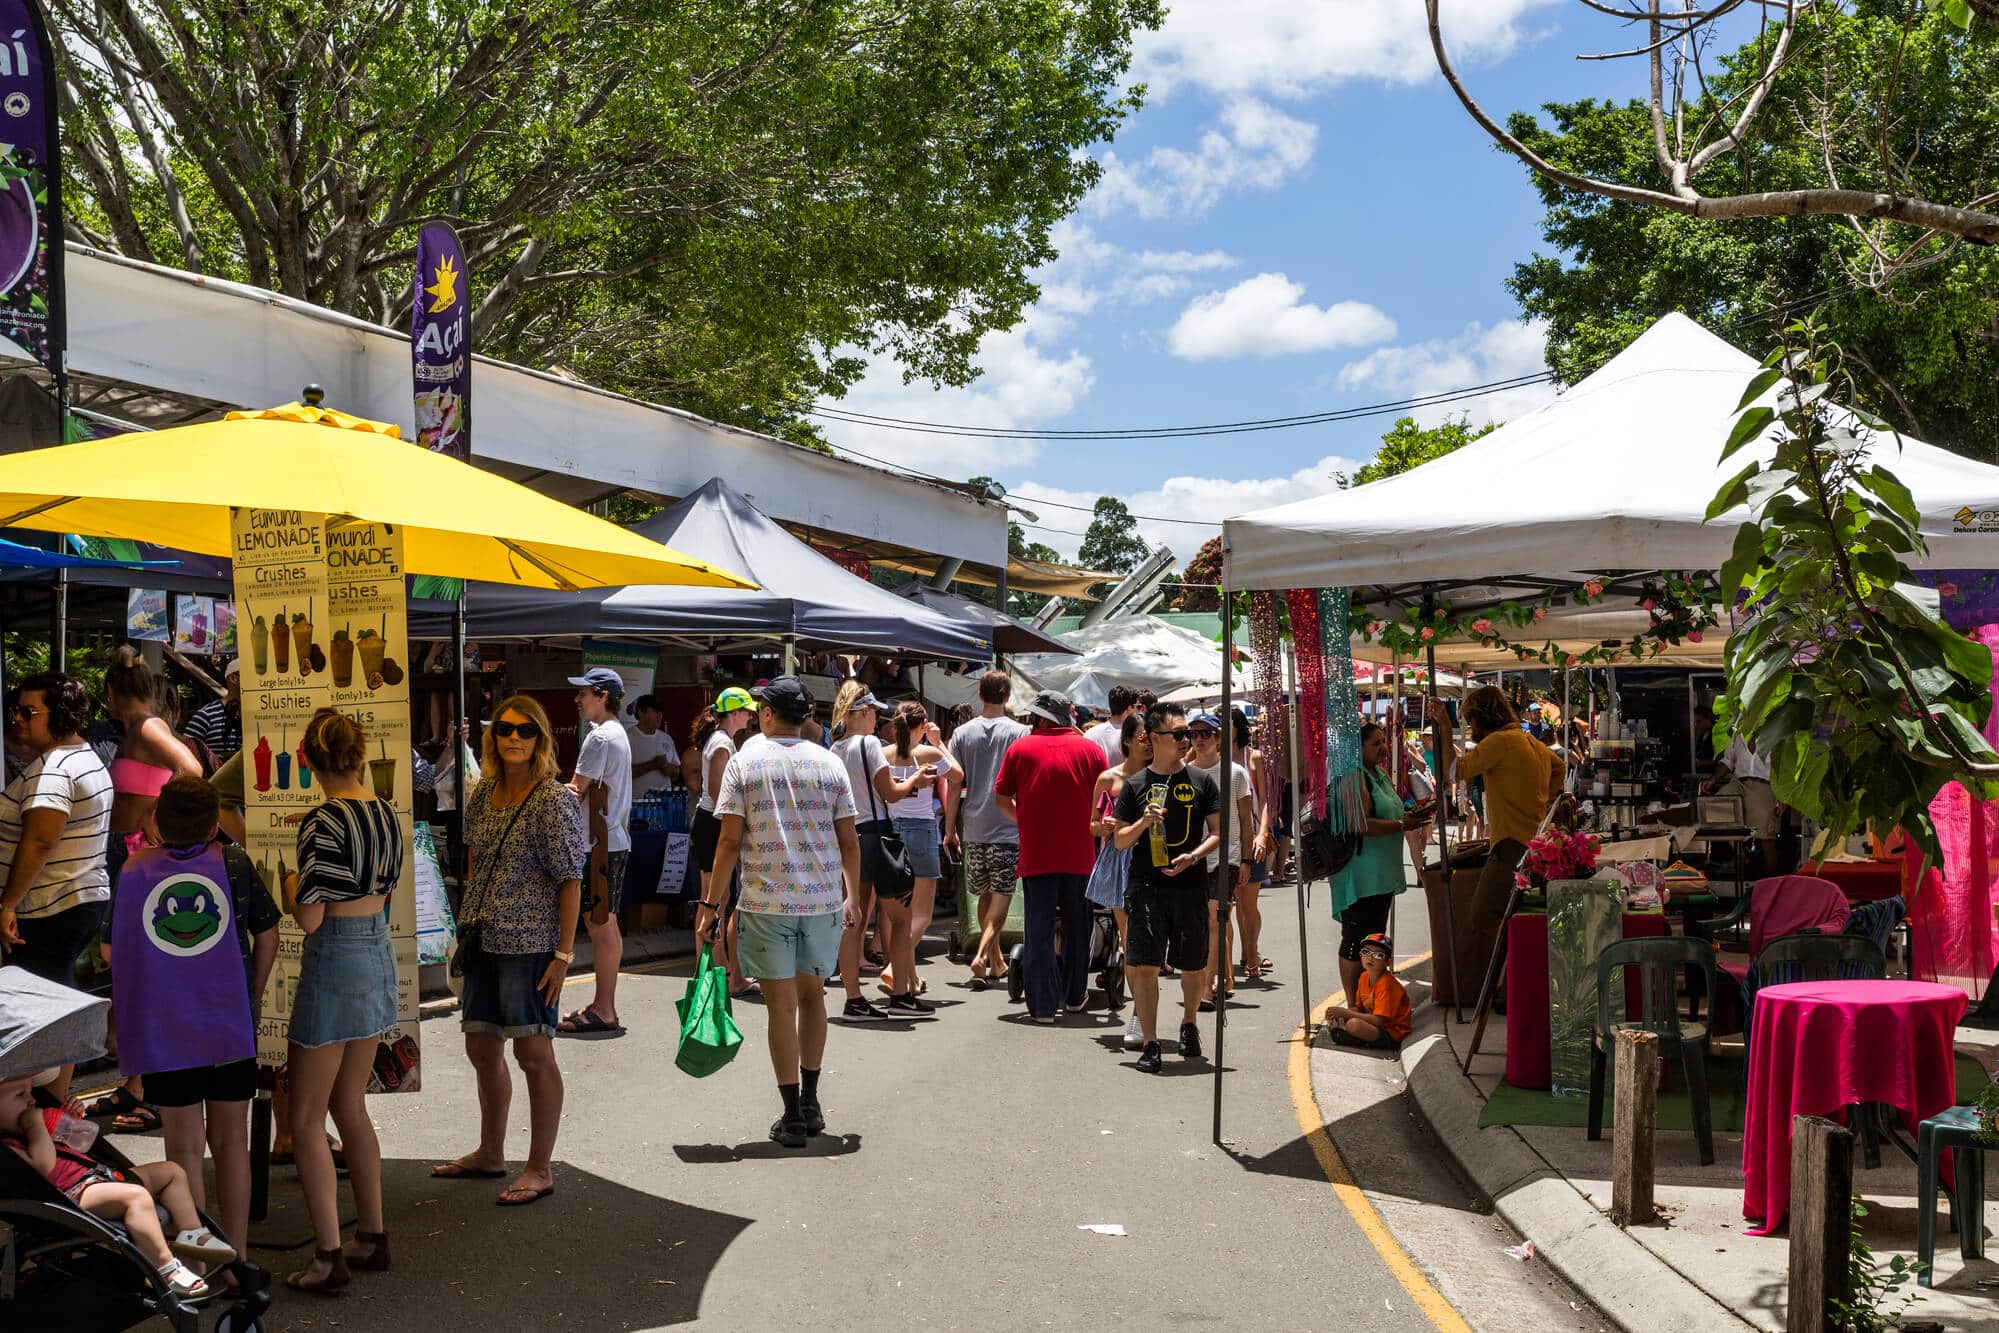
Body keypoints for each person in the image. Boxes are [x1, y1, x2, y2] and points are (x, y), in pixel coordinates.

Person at [112, 775, 278, 1263]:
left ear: (159, 822)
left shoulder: (135, 869)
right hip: (228, 1027)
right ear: (213, 826)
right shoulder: (234, 862)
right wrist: (254, 993)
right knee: (232, 1143)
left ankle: (200, 1259)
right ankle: (239, 1256)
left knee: (183, 1150)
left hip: (165, 1033)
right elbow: (267, 934)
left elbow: (110, 946)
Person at [433, 695, 584, 1209]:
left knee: (534, 1052)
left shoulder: (553, 799)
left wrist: (563, 956)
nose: (514, 738)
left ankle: (540, 1167)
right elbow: (474, 862)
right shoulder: (483, 793)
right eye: (505, 729)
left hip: (531, 944)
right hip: (482, 938)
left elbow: (571, 881)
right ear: (492, 737)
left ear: (541, 739)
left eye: (526, 730)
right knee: (481, 1048)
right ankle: (491, 1152)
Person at [699, 677, 861, 1147]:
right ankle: (811, 1102)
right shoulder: (830, 765)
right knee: (813, 999)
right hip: (822, 902)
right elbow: (848, 841)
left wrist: (711, 903)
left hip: (765, 903)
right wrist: (851, 896)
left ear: (768, 714)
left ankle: (791, 1114)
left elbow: (729, 840)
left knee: (780, 1007)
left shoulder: (744, 763)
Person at [282, 708, 403, 1294]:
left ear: (309, 760)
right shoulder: (385, 813)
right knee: (350, 1105)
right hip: (376, 953)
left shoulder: (321, 821)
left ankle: (329, 1256)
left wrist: (286, 885)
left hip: (335, 961)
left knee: (304, 1119)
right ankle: (372, 1235)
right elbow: (383, 894)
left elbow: (308, 918)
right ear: (360, 756)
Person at [2, 1073, 235, 1301]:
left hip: (100, 1176)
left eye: (31, 1092)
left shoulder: (35, 1128)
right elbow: (43, 1165)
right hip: (74, 1194)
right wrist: (36, 1128)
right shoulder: (9, 1147)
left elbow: (83, 1145)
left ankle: (193, 1237)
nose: (32, 1100)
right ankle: (165, 1268)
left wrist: (69, 1121)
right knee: (136, 1198)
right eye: (20, 1095)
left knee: (171, 1172)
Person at [0, 673, 114, 1098]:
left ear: (61, 716)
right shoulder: (82, 757)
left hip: (50, 903)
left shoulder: (54, 770)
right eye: (18, 710)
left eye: (29, 712)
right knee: (57, 997)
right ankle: (49, 1101)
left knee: (39, 1008)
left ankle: (35, 1103)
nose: (18, 720)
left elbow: (41, 840)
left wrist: (8, 903)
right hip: (75, 898)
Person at [1112, 702, 1220, 1072]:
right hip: (1146, 885)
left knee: (1192, 965)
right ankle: (1152, 1042)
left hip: (1190, 884)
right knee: (1143, 965)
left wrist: (1193, 855)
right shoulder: (1136, 785)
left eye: (1187, 733)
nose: (1186, 739)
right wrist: (1142, 822)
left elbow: (1218, 833)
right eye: (1178, 734)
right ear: (1153, 738)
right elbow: (1120, 841)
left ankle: (1189, 1021)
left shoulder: (1202, 781)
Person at [1428, 689, 1565, 961]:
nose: (1471, 727)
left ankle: (1514, 963)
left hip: (1511, 844)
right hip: (1535, 842)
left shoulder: (1500, 741)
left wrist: (1445, 726)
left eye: (1470, 720)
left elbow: (1454, 771)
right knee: (1513, 910)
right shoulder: (1529, 741)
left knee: (1484, 914)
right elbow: (1559, 767)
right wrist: (1543, 799)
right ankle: (1513, 968)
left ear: (1483, 717)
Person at [993, 691, 1104, 1024]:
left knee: (1039, 930)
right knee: (1077, 925)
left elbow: (1001, 797)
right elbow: (1104, 800)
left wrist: (1024, 819)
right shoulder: (1090, 749)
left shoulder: (1020, 749)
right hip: (1080, 853)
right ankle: (1074, 995)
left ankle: (1042, 1006)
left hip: (1038, 853)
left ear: (1041, 718)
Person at [829, 682, 927, 1020]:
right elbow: (891, 792)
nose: (877, 722)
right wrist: (915, 781)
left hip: (846, 836)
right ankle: (900, 992)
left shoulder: (835, 749)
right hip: (875, 836)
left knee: (852, 918)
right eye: (875, 714)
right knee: (900, 917)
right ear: (865, 712)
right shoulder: (869, 744)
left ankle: (853, 997)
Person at [1331, 723, 1430, 1001]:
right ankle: (1353, 1002)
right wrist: (1401, 823)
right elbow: (1358, 824)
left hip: (1380, 873)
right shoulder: (1352, 777)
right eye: (1375, 743)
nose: (1383, 747)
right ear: (1358, 747)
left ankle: (1369, 996)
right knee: (1355, 937)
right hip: (1361, 873)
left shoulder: (1379, 774)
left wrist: (1411, 813)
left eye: (1383, 741)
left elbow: (1392, 809)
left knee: (1374, 935)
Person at [557, 667, 632, 1036]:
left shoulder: (600, 738)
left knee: (599, 922)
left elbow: (576, 791)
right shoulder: (615, 734)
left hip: (598, 844)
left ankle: (604, 1007)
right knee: (604, 921)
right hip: (611, 840)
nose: (578, 699)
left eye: (584, 692)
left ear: (602, 696)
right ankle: (605, 1004)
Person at [948, 670, 1028, 987]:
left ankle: (995, 961)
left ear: (979, 695)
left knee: (983, 895)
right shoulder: (1021, 733)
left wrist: (949, 827)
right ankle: (984, 956)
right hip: (1008, 825)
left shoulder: (962, 734)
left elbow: (954, 783)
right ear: (1008, 697)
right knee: (1002, 895)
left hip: (974, 825)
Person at [877, 702, 956, 1002]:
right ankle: (894, 967)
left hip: (892, 830)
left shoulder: (882, 755)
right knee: (922, 913)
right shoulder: (929, 754)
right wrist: (939, 745)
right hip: (921, 830)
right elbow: (958, 776)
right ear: (922, 725)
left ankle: (909, 978)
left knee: (900, 911)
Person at [1089, 712, 1151, 1049]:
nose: (1147, 743)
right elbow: (1092, 825)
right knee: (1131, 941)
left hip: (1151, 860)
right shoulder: (1107, 779)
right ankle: (1140, 1015)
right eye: (1142, 736)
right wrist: (1105, 827)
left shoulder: (1160, 777)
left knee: (1145, 940)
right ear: (1126, 740)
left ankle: (1144, 1013)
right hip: (1117, 863)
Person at [692, 687, 758, 997]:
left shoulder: (722, 740)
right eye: (746, 710)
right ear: (733, 713)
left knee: (718, 898)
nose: (750, 715)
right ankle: (716, 973)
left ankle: (718, 971)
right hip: (713, 825)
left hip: (712, 823)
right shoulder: (721, 743)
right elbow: (720, 793)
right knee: (713, 899)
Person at [1187, 712, 1254, 1009]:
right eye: (1194, 734)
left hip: (1227, 856)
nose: (1199, 740)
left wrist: (1247, 860)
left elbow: (1246, 820)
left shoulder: (1236, 773)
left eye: (1205, 734)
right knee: (1204, 922)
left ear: (1217, 738)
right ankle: (1224, 976)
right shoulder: (1184, 773)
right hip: (1193, 858)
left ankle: (1205, 989)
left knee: (1214, 921)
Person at [1323, 933, 1412, 1050]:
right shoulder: (1364, 977)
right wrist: (1339, 1015)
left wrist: (1346, 1014)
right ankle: (1348, 1032)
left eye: (1378, 955)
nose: (1370, 958)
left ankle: (1355, 1037)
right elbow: (1359, 1008)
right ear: (1360, 955)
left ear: (1388, 962)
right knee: (1342, 1020)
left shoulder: (1386, 984)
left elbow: (1379, 1021)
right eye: (1366, 952)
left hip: (1392, 1032)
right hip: (1374, 1024)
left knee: (1353, 1024)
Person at [183, 661, 243, 763]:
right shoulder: (205, 716)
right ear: (234, 679)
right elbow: (184, 755)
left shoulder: (259, 715)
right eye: (249, 674)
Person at [628, 694, 679, 794]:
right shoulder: (627, 738)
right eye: (655, 711)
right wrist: (653, 765)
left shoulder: (666, 738)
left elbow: (677, 771)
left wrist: (670, 769)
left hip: (664, 804)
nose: (659, 715)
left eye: (660, 711)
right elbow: (621, 774)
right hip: (638, 805)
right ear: (641, 712)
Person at [1084, 685, 1138, 766]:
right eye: (1138, 706)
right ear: (1129, 708)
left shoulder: (1090, 733)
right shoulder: (1136, 733)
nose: (1139, 711)